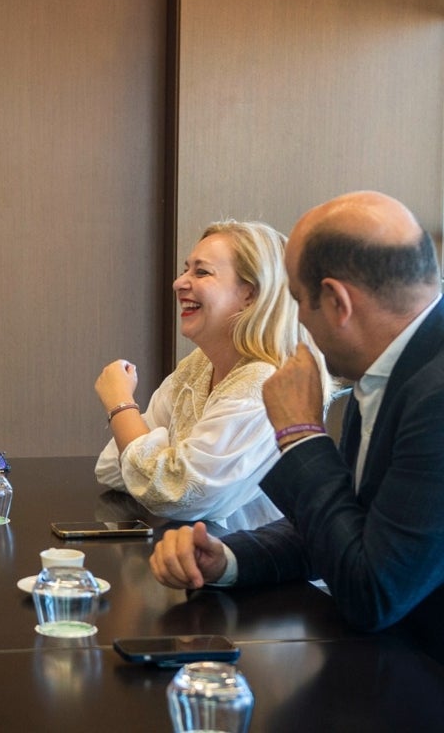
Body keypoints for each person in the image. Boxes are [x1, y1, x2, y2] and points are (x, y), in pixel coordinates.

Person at [150, 191, 444, 655]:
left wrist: (301, 434)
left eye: (298, 301)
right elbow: (345, 527)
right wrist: (226, 559)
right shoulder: (390, 368)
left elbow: (373, 594)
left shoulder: (435, 397)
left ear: (336, 302)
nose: (297, 321)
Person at [94, 220, 322, 532]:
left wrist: (120, 403)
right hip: (198, 558)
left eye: (201, 272)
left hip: (259, 572)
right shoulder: (199, 365)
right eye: (186, 270)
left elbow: (176, 493)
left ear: (251, 295)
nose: (178, 283)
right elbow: (113, 468)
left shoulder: (265, 383)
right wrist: (157, 462)